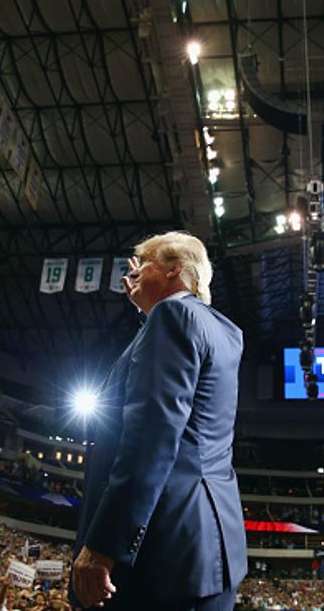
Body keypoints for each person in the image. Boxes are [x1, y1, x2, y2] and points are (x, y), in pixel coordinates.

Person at [71, 232, 247, 610]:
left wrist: (104, 545)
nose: (132, 273)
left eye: (144, 263)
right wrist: (149, 311)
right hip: (210, 550)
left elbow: (153, 436)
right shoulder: (222, 330)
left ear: (174, 271)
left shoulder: (172, 316)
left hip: (164, 550)